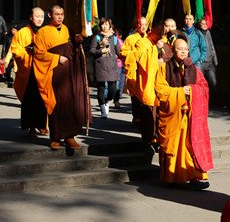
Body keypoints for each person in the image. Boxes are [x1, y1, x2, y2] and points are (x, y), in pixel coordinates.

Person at [154, 38, 213, 190]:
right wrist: (180, 92)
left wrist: (192, 91)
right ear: (173, 50)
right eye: (180, 49)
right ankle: (173, 177)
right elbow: (160, 89)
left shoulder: (194, 69)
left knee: (191, 146)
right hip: (174, 115)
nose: (183, 51)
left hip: (190, 116)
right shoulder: (164, 67)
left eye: (185, 49)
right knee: (174, 147)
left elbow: (204, 87)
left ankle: (194, 178)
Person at [33, 5, 90, 150]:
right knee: (56, 104)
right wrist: (56, 58)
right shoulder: (42, 33)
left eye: (62, 14)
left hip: (69, 74)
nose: (60, 17)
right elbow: (38, 53)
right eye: (57, 14)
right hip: (53, 74)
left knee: (70, 104)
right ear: (50, 15)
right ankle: (56, 137)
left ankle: (70, 136)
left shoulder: (68, 31)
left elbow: (74, 51)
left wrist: (77, 42)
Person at [121, 18, 165, 148]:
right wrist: (155, 50)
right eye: (158, 33)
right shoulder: (141, 42)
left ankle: (157, 138)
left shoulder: (160, 43)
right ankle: (148, 141)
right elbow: (140, 58)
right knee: (147, 111)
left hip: (159, 83)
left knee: (158, 115)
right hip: (145, 81)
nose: (160, 35)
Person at [11, 8, 48, 138]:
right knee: (31, 100)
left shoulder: (45, 32)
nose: (39, 19)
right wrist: (27, 51)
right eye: (37, 16)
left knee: (44, 99)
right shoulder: (23, 32)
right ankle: (32, 128)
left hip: (43, 71)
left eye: (42, 16)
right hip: (29, 72)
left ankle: (42, 125)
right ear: (31, 17)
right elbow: (15, 49)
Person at [90, 18, 120, 119]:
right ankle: (103, 109)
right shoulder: (97, 37)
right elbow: (92, 51)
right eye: (103, 24)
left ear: (110, 26)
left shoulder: (114, 39)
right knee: (101, 89)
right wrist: (101, 51)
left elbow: (119, 52)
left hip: (112, 67)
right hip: (100, 66)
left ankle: (107, 101)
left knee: (113, 88)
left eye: (106, 24)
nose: (104, 26)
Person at [197, 19, 218, 92]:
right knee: (201, 83)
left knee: (213, 82)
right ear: (199, 25)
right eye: (202, 24)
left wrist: (215, 59)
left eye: (205, 23)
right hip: (201, 63)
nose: (204, 25)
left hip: (210, 62)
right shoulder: (197, 33)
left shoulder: (208, 32)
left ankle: (212, 99)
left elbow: (212, 46)